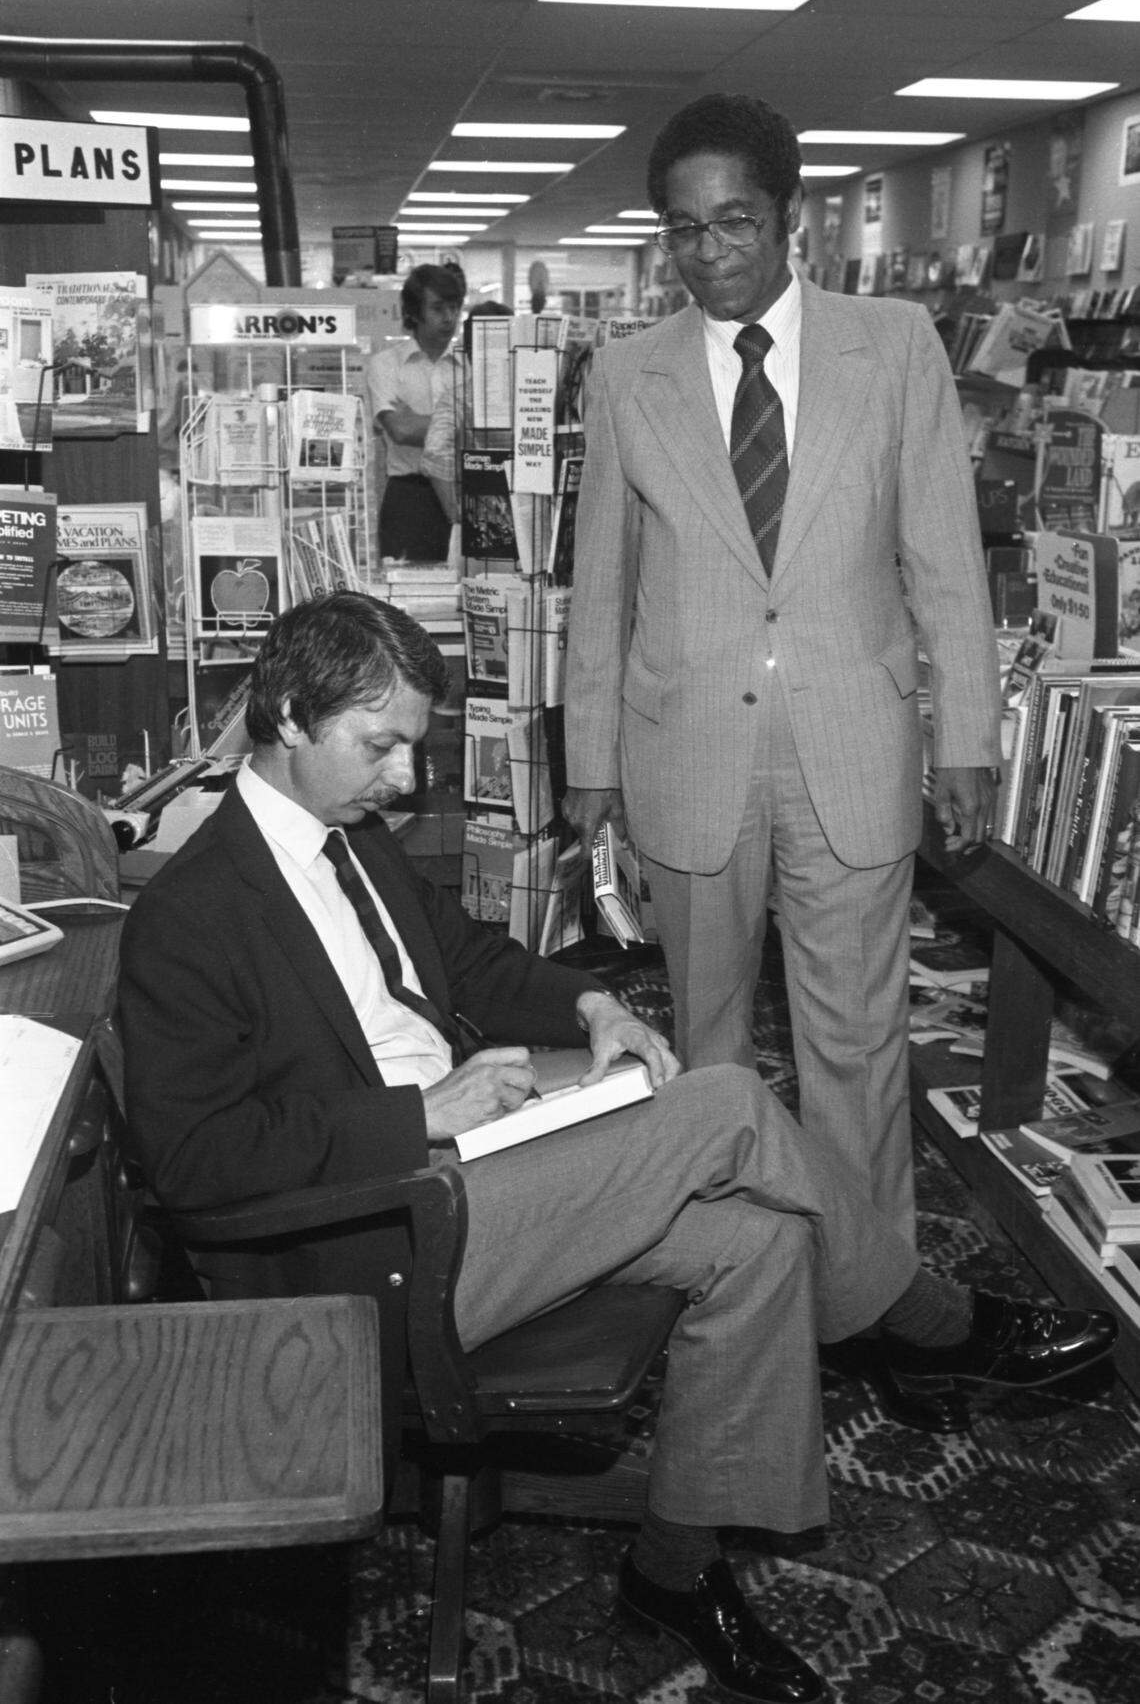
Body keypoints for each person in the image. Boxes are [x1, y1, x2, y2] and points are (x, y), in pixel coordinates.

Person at [119, 594, 1113, 1704]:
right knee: (727, 1101)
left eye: (414, 748)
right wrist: (424, 1114)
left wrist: (593, 1005)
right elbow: (196, 1159)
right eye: (381, 744)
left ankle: (675, 1565)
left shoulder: (351, 839)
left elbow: (469, 960)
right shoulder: (191, 910)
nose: (404, 777)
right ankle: (932, 1323)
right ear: (289, 718)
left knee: (761, 1244)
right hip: (379, 1237)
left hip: (468, 1169)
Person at [563, 93, 1003, 1256]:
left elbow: (946, 558)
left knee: (856, 1044)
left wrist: (967, 735)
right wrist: (590, 762)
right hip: (685, 748)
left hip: (851, 744)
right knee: (707, 1042)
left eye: (736, 221)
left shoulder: (895, 345)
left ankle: (868, 1286)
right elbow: (600, 584)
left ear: (791, 214)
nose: (709, 251)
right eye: (684, 228)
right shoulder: (626, 373)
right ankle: (733, 1270)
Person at [366, 263, 465, 562]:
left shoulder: (470, 366)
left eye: (454, 307)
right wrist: (459, 425)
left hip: (462, 493)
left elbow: (484, 433)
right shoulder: (386, 365)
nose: (449, 317)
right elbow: (400, 430)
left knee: (468, 580)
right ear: (413, 312)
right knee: (404, 584)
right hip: (409, 498)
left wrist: (418, 422)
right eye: (438, 308)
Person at [420, 298, 514, 528]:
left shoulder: (458, 397)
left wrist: (459, 517)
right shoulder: (535, 396)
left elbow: (435, 454)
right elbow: (435, 454)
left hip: (480, 521)